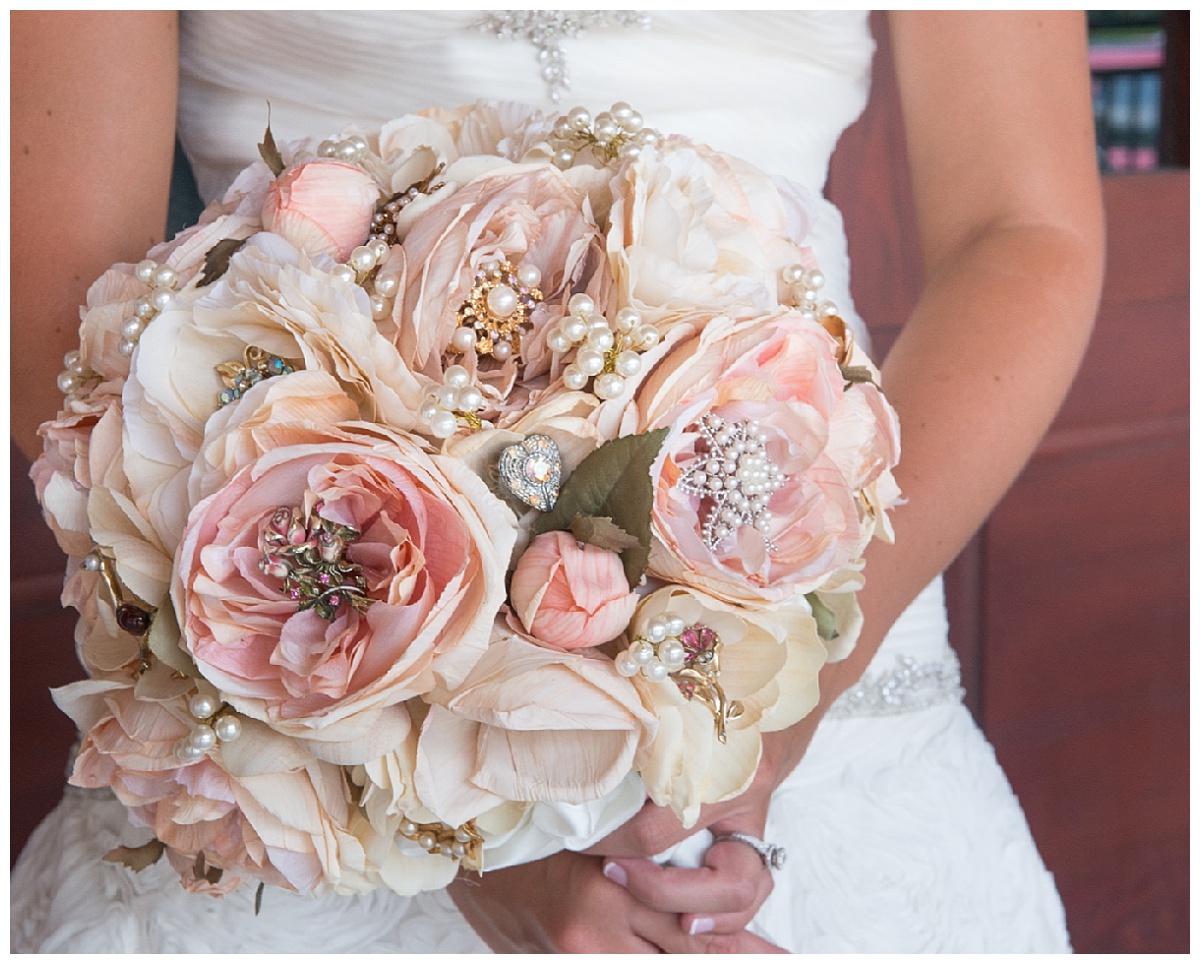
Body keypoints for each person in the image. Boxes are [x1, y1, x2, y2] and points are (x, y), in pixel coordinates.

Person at [11, 11, 1104, 953]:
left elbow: (1024, 224)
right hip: (309, 649)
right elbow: (60, 312)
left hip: (805, 611)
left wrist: (788, 694)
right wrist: (436, 812)